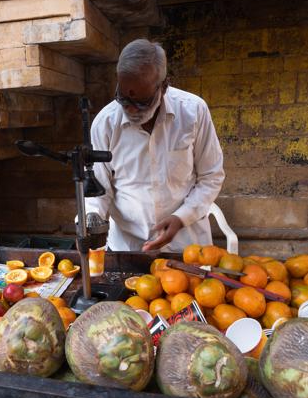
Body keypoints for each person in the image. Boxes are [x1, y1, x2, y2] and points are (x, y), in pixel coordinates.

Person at [85, 38, 225, 252]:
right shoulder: (105, 123)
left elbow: (211, 176)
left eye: (141, 102)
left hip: (186, 245)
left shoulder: (193, 112)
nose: (131, 110)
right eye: (123, 99)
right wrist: (91, 217)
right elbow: (98, 188)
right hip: (129, 248)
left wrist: (181, 217)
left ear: (164, 86)